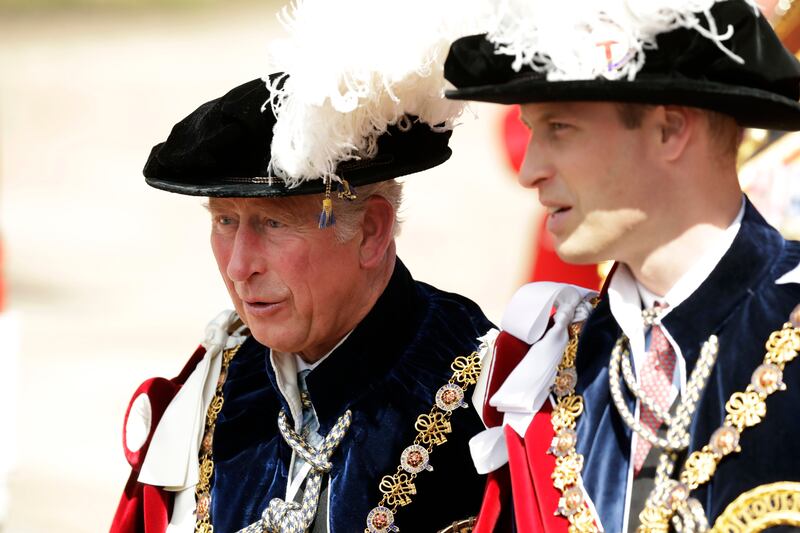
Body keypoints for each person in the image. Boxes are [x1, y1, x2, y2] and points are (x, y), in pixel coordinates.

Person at [108, 3, 495, 531]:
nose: (239, 267)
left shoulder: (484, 399)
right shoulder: (210, 391)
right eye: (224, 222)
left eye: (272, 224)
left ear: (371, 231)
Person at [444, 1, 800, 532]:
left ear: (668, 130)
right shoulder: (545, 376)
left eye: (560, 127)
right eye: (531, 128)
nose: (530, 170)